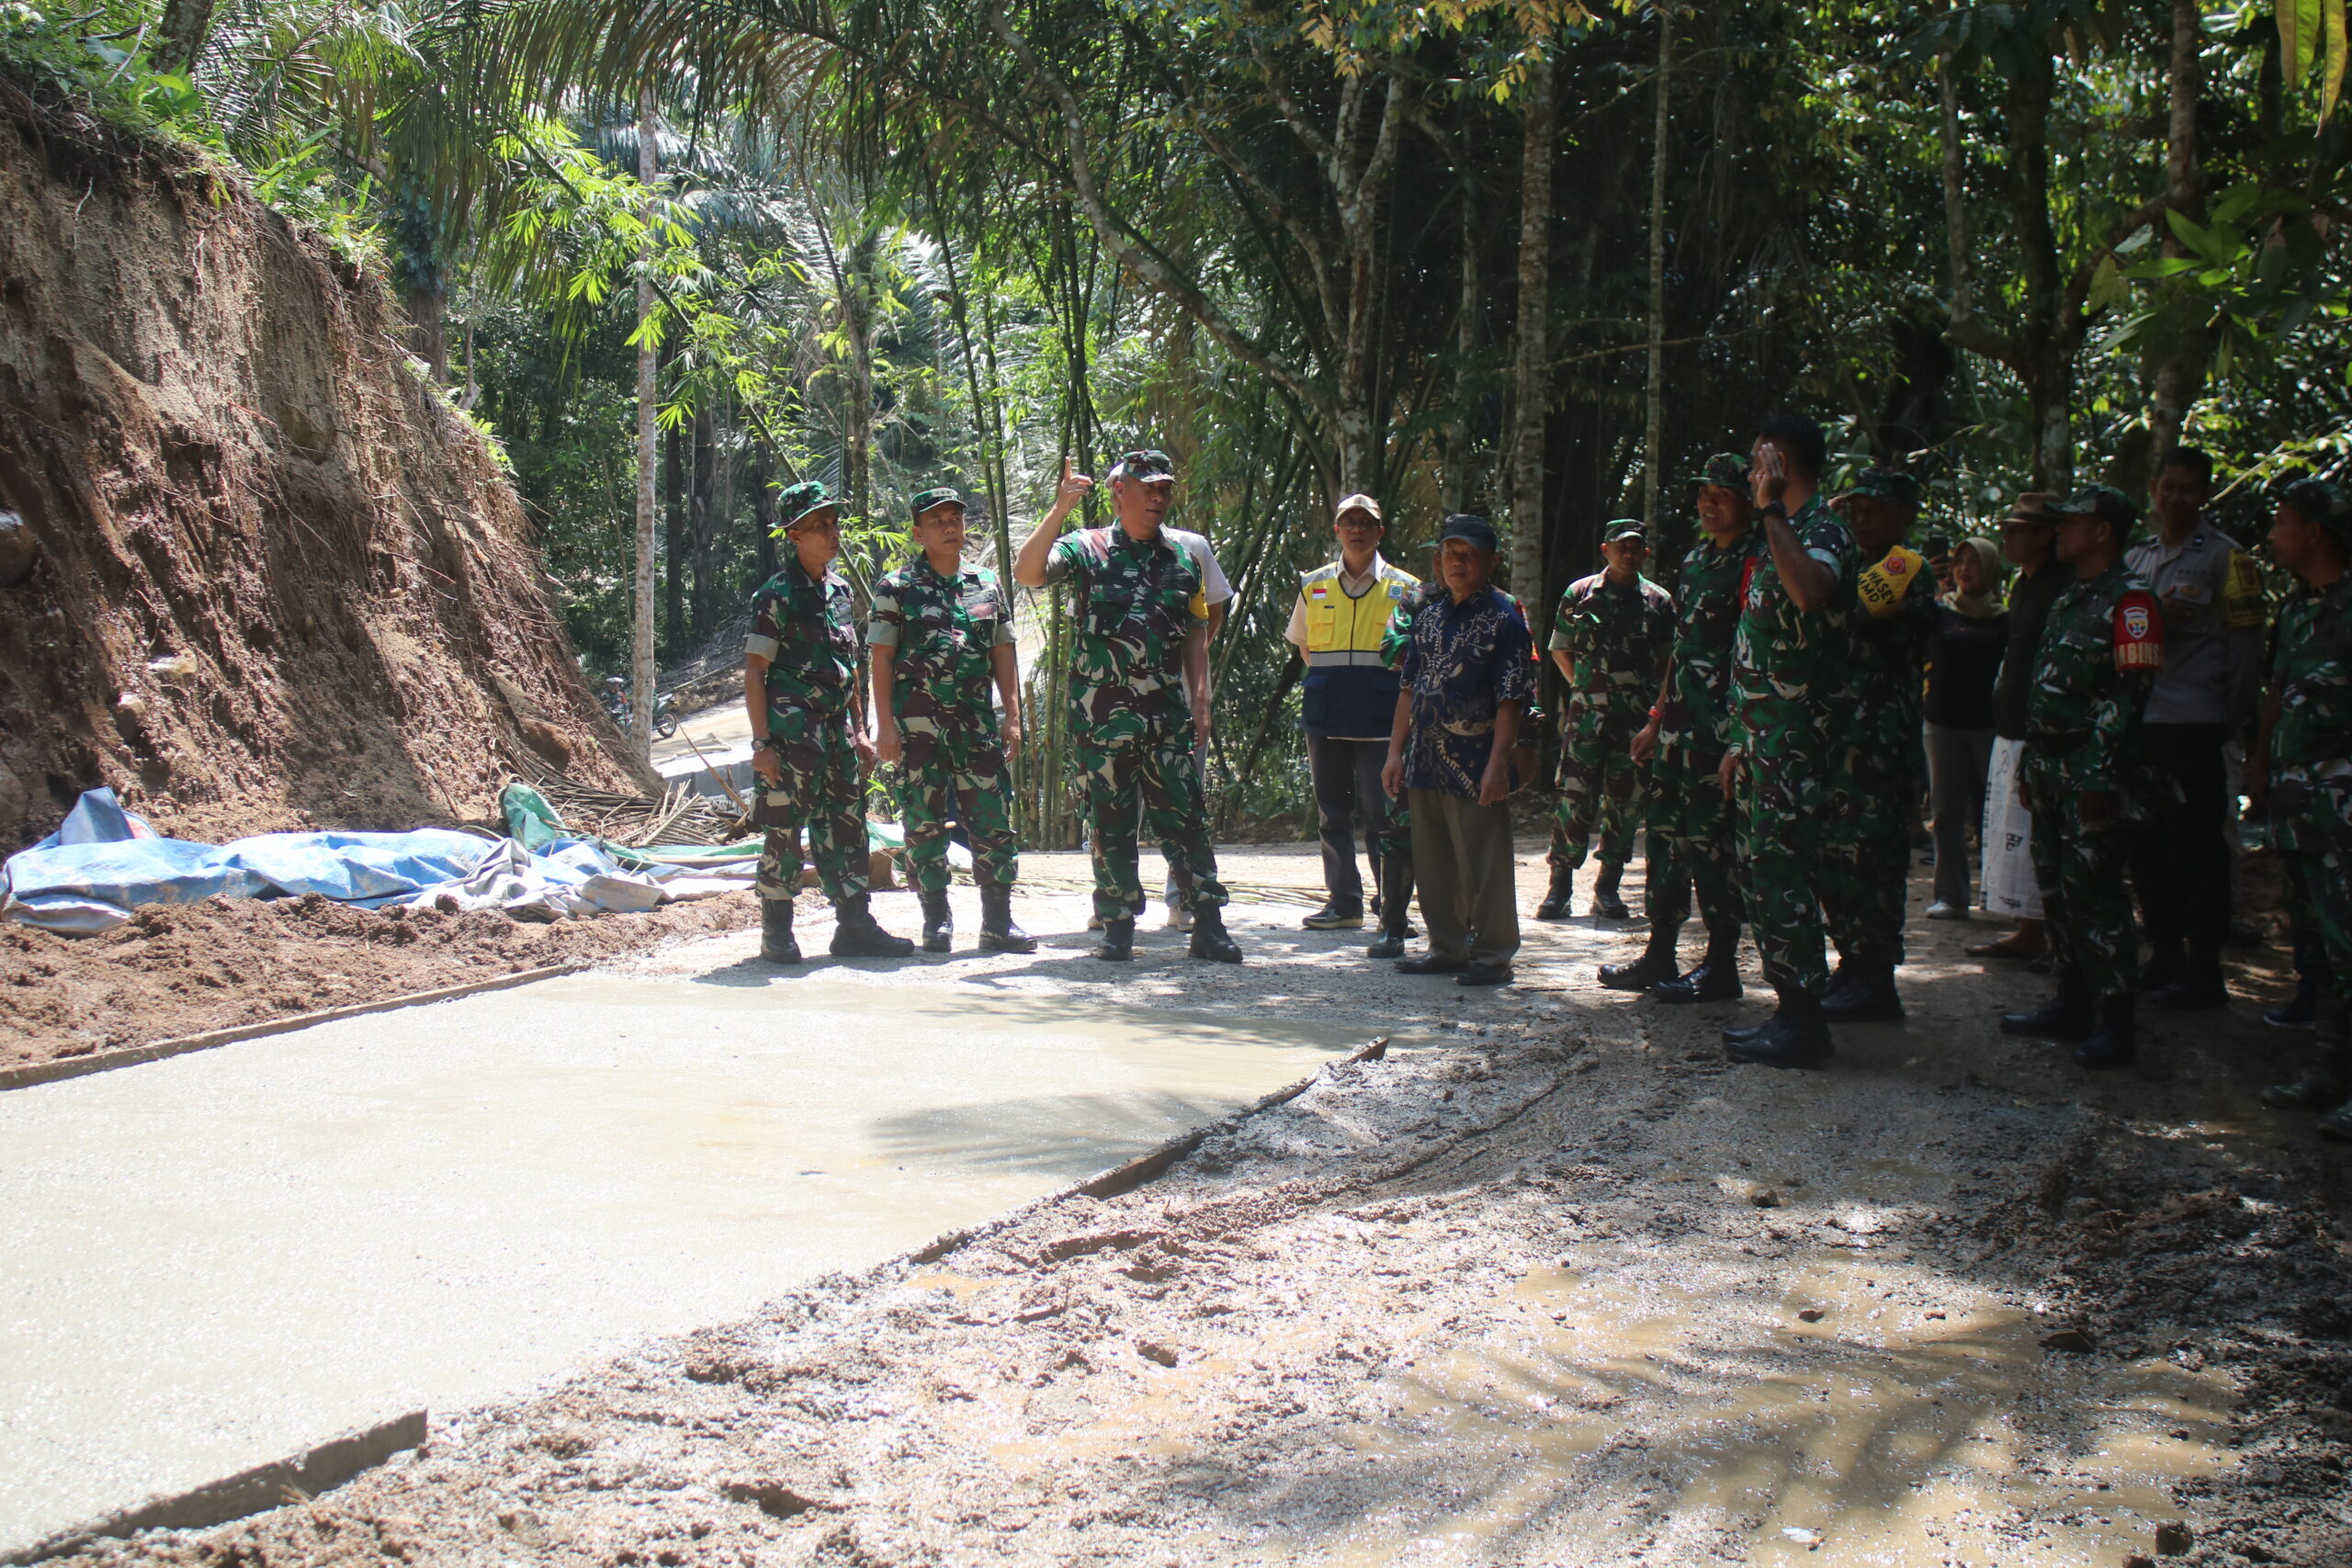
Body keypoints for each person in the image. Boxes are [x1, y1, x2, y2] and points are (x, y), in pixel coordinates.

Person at [1013, 450, 1241, 964]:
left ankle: (1208, 922)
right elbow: (1028, 573)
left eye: (1164, 489)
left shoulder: (1182, 557)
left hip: (1166, 714)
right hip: (1102, 717)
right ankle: (1117, 925)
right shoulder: (1086, 547)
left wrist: (1200, 699)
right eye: (1148, 488)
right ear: (1120, 493)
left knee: (1186, 817)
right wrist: (1060, 507)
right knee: (1110, 819)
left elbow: (1196, 631)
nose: (1159, 498)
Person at [2000, 486, 2165, 1069]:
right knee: (2057, 889)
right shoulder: (2071, 598)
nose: (2060, 530)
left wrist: (2100, 774)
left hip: (2090, 770)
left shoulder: (2134, 603)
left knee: (2095, 895)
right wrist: (2030, 761)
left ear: (2103, 532)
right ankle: (2070, 1002)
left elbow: (2130, 696)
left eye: (2073, 522)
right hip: (2049, 765)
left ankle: (2116, 1021)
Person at [1719, 412, 1857, 1067]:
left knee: (1786, 870)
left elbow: (1811, 592)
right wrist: (1739, 738)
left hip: (1801, 742)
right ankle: (1790, 1009)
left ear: (1778, 460)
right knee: (1767, 871)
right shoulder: (1781, 533)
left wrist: (1773, 511)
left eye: (1756, 462)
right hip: (1766, 738)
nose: (1750, 475)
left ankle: (1805, 1021)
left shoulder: (1819, 529)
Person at [1608, 455, 1761, 1000]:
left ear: (1746, 500)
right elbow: (1684, 647)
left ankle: (1721, 965)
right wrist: (1655, 718)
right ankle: (1660, 955)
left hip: (1719, 732)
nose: (1709, 501)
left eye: (1721, 493)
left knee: (1712, 847)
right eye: (1703, 492)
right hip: (1677, 728)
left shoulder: (1757, 559)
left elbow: (1755, 651)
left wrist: (1740, 736)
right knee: (1667, 843)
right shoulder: (1696, 560)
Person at [745, 480, 916, 964]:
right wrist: (762, 744)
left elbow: (852, 666)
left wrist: (860, 730)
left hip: (838, 739)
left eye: (833, 522)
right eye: (819, 525)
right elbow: (755, 672)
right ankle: (776, 930)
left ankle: (854, 925)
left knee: (847, 828)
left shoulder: (839, 592)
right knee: (784, 830)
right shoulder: (775, 596)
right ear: (794, 534)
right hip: (790, 739)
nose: (831, 532)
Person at [2124, 448, 2266, 1010]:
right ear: (2154, 487)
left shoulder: (2229, 561)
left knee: (2198, 849)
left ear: (2204, 495)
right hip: (2144, 724)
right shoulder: (2136, 559)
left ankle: (2204, 966)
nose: (2175, 498)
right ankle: (2164, 954)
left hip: (2195, 723)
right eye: (2168, 487)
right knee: (2148, 844)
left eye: (2188, 489)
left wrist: (2230, 723)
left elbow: (2247, 652)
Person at [869, 487, 1034, 955]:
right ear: (918, 531)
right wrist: (885, 727)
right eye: (936, 520)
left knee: (992, 821)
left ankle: (998, 922)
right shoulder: (896, 587)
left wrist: (1014, 717)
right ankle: (936, 921)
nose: (948, 527)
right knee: (922, 823)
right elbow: (881, 660)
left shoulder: (986, 584)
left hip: (976, 727)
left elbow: (1004, 652)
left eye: (955, 519)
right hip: (917, 731)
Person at [1381, 514, 1533, 986]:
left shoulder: (1504, 620)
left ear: (1490, 562)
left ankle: (1492, 955)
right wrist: (1394, 754)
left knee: (1483, 861)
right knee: (1434, 859)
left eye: (1469, 554)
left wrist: (1497, 764)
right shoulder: (1429, 615)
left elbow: (1512, 698)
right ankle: (1446, 947)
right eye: (1451, 553)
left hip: (1474, 763)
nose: (1458, 563)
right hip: (1425, 759)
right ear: (1438, 558)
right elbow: (1408, 688)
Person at [1819, 468, 1938, 1023]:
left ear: (1903, 513)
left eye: (1874, 507)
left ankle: (1876, 976)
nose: (1860, 516)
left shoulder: (1903, 566)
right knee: (1835, 856)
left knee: (1875, 857)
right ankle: (1852, 962)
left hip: (1880, 738)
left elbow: (1848, 615)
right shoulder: (1843, 561)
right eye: (1854, 507)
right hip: (1838, 736)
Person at [2254, 479, 2352, 1141]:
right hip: (2295, 801)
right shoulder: (2293, 610)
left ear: (2314, 531)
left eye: (2283, 523)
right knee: (2316, 943)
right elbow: (2277, 691)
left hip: (2342, 805)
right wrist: (2260, 766)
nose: (2272, 535)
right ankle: (2331, 1070)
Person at [1286, 494, 1419, 931]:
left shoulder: (1407, 588)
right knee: (1332, 814)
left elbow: (1416, 657)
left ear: (1380, 532)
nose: (1357, 529)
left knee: (1384, 815)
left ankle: (1392, 907)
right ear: (1337, 530)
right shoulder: (1314, 583)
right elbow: (1304, 645)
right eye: (1349, 522)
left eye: (1366, 522)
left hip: (1381, 721)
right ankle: (1344, 903)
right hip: (1325, 716)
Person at [1537, 522, 1674, 922]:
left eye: (1636, 547)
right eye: (1621, 547)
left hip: (1636, 721)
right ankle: (1559, 887)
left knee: (1626, 803)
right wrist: (1583, 687)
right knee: (1574, 798)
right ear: (1605, 549)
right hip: (1586, 720)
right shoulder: (1580, 593)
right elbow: (1560, 649)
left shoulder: (1658, 601)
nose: (1628, 554)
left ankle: (1608, 888)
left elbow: (1668, 661)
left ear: (1645, 553)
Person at [1972, 493, 2075, 960]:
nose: (2008, 536)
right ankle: (2028, 929)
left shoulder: (2063, 585)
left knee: (2043, 837)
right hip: (2012, 725)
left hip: (2042, 730)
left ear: (2044, 536)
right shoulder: (2025, 583)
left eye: (2018, 530)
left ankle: (2051, 936)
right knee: (2017, 833)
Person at [1922, 537, 2009, 919]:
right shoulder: (1940, 612)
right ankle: (1951, 896)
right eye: (1960, 561)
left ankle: (1996, 895)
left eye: (1974, 562)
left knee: (1991, 812)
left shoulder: (2006, 618)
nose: (1964, 569)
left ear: (1990, 568)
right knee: (1946, 812)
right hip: (1942, 724)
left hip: (1989, 727)